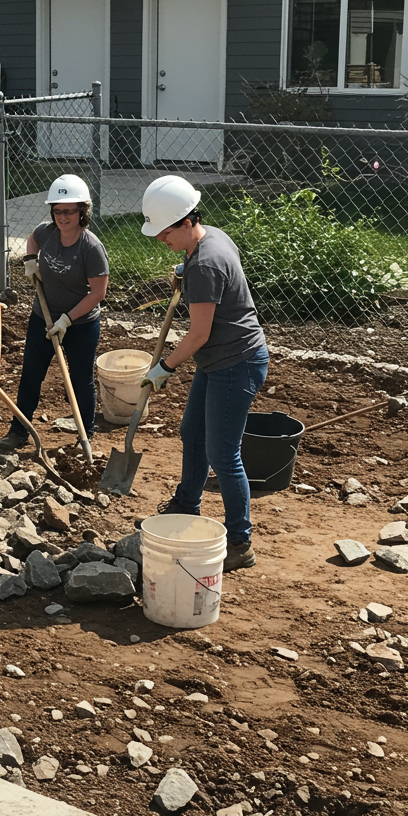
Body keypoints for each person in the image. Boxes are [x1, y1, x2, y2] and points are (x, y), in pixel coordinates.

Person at [138, 174, 269, 572]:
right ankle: (186, 504)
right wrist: (184, 265)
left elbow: (198, 334)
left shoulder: (206, 263)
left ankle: (240, 542)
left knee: (223, 454)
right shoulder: (208, 240)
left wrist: (164, 367)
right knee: (191, 432)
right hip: (219, 360)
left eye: (164, 234)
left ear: (184, 222)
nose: (161, 240)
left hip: (237, 362)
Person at [0, 174, 109, 452]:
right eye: (57, 210)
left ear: (83, 211)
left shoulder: (91, 248)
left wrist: (68, 319)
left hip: (80, 324)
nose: (63, 217)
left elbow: (98, 293)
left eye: (69, 211)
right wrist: (31, 260)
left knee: (81, 379)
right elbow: (33, 239)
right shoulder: (47, 232)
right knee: (31, 374)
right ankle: (19, 430)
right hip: (43, 317)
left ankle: (86, 435)